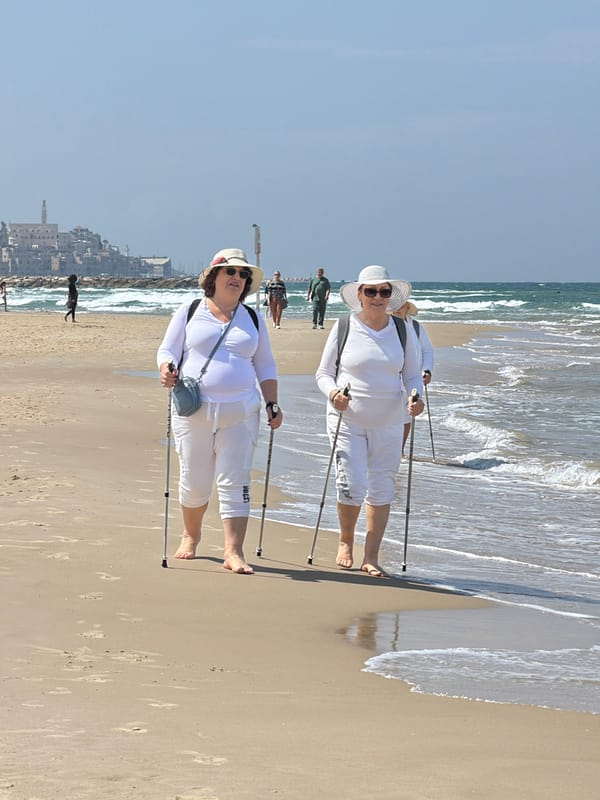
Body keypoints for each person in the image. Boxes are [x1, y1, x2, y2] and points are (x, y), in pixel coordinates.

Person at [157, 248, 283, 574]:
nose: (237, 279)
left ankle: (233, 551)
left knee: (235, 479)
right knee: (195, 480)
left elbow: (265, 364)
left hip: (241, 410)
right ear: (213, 277)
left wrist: (272, 403)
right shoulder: (190, 310)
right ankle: (190, 535)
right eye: (231, 272)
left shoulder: (253, 318)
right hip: (194, 410)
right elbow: (167, 349)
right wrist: (165, 368)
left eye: (243, 275)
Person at [315, 265, 425, 577]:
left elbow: (412, 374)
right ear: (360, 295)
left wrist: (415, 398)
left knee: (381, 487)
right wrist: (334, 393)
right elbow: (323, 374)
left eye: (384, 291)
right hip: (347, 418)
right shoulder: (344, 327)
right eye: (371, 291)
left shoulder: (402, 330)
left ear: (391, 296)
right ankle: (345, 540)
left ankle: (372, 556)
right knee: (351, 484)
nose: (378, 297)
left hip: (389, 420)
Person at [392, 301, 434, 452]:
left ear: (407, 308)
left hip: (413, 380)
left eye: (401, 306)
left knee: (406, 416)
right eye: (394, 306)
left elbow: (427, 350)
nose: (397, 309)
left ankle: (399, 451)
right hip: (391, 380)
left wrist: (427, 370)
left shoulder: (415, 326)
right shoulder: (386, 326)